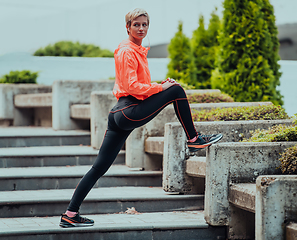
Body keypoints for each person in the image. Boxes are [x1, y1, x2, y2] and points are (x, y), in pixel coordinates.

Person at [59, 8, 222, 228]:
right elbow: (131, 87)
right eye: (136, 24)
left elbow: (139, 86)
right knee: (176, 90)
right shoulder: (127, 50)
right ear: (127, 27)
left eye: (145, 24)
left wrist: (159, 86)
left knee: (99, 167)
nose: (141, 28)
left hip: (119, 114)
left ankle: (70, 213)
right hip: (127, 111)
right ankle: (193, 139)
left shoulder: (135, 50)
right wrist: (162, 87)